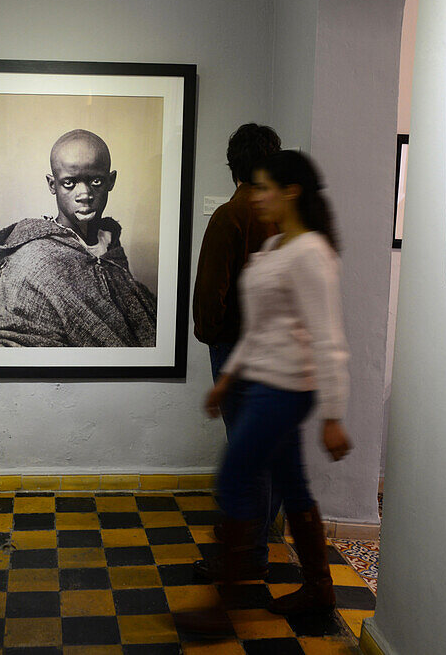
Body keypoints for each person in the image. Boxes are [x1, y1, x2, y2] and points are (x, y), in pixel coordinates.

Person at [175, 149, 353, 638]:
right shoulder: (275, 247)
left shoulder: (311, 252)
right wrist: (228, 379)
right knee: (292, 485)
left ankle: (223, 605)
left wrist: (334, 415)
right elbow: (258, 330)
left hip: (287, 389)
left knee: (234, 479)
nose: (258, 197)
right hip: (262, 383)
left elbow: (329, 339)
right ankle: (319, 587)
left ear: (290, 191)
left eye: (265, 187)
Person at [191, 123, 281, 580]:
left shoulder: (230, 216)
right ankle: (259, 540)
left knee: (247, 454)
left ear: (234, 168)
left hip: (238, 350)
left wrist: (210, 334)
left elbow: (211, 297)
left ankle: (249, 555)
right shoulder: (287, 215)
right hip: (281, 353)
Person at [0, 128, 157, 347]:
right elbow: (8, 341)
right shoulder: (30, 260)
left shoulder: (109, 246)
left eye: (96, 182)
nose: (84, 195)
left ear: (111, 181)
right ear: (52, 185)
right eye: (69, 183)